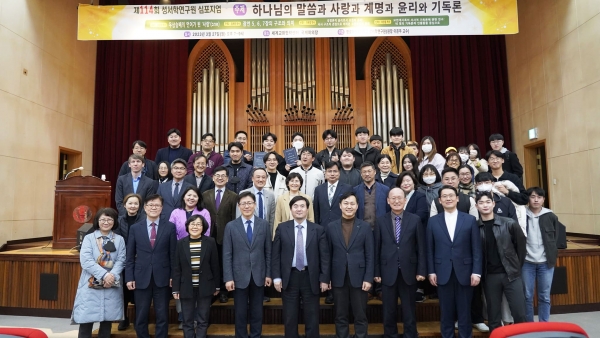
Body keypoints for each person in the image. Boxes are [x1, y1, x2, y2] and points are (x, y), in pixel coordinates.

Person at [427, 186, 482, 338]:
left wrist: (476, 272)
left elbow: (476, 249)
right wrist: (431, 271)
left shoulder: (470, 220)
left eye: (451, 195)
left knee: (465, 313)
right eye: (444, 196)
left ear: (457, 198)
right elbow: (429, 249)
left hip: (465, 272)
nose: (448, 198)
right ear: (439, 200)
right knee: (446, 313)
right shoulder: (432, 221)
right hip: (442, 272)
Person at [272, 196, 330, 338]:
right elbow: (275, 255)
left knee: (312, 316)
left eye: (302, 206)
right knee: (290, 316)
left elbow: (324, 256)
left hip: (310, 277)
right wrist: (276, 277)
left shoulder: (318, 229)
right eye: (295, 206)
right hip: (289, 277)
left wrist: (324, 278)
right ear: (291, 209)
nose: (299, 209)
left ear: (307, 209)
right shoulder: (282, 228)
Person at [374, 188, 426, 338]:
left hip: (409, 271)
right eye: (393, 198)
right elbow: (376, 247)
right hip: (387, 271)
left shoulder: (415, 219)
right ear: (388, 201)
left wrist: (421, 270)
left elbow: (420, 248)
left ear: (405, 200)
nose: (396, 201)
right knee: (388, 310)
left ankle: (410, 335)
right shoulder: (380, 221)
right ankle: (390, 335)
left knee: (409, 310)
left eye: (399, 198)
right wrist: (376, 272)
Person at [125, 195, 177, 338]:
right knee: (141, 314)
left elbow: (173, 255)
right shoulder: (136, 228)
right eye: (150, 205)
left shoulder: (170, 227)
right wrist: (129, 277)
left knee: (162, 314)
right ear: (145, 208)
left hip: (163, 277)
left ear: (162, 208)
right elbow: (129, 256)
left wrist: (173, 275)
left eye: (157, 205)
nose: (154, 208)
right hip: (141, 277)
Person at [475, 192, 527, 333]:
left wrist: (515, 267)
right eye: (481, 202)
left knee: (519, 312)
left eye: (487, 202)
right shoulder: (474, 227)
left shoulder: (509, 223)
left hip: (511, 274)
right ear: (476, 206)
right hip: (490, 276)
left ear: (493, 204)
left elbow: (521, 249)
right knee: (493, 316)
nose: (485, 205)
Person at [222, 191, 272, 338]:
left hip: (259, 274)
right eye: (243, 203)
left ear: (255, 204)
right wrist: (228, 278)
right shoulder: (231, 226)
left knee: (257, 311)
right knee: (240, 312)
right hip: (238, 276)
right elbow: (227, 254)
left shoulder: (263, 225)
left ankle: (256, 335)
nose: (247, 206)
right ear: (239, 206)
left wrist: (268, 274)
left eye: (249, 203)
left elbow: (268, 251)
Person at [72, 208, 126, 338]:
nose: (106, 222)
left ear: (114, 221)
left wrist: (112, 275)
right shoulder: (89, 238)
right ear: (97, 221)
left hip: (111, 284)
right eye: (103, 219)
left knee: (107, 322)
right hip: (91, 283)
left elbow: (121, 260)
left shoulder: (119, 239)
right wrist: (105, 275)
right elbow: (86, 261)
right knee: (86, 321)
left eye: (109, 219)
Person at [326, 191, 374, 338]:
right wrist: (326, 278)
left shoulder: (365, 227)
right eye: (345, 203)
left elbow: (370, 255)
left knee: (360, 315)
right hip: (338, 276)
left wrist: (368, 278)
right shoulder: (331, 227)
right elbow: (327, 255)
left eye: (352, 203)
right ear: (340, 206)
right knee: (340, 315)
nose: (349, 206)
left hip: (359, 278)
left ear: (357, 206)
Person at [172, 215, 220, 338]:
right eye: (192, 224)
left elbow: (215, 265)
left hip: (205, 286)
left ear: (203, 227)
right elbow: (177, 268)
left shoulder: (210, 242)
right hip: (186, 287)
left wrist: (217, 286)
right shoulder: (180, 243)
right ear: (187, 226)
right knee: (187, 320)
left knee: (203, 319)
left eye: (198, 224)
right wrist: (175, 288)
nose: (195, 226)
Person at [202, 166, 238, 304]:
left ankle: (223, 291)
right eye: (217, 175)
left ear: (227, 179)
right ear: (213, 177)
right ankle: (212, 290)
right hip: (209, 234)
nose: (220, 178)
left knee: (224, 264)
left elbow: (234, 217)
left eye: (223, 175)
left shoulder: (234, 196)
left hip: (225, 235)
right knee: (210, 264)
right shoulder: (205, 194)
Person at [523, 187, 559, 322]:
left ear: (544, 199)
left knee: (544, 296)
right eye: (532, 196)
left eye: (539, 197)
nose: (536, 199)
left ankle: (544, 324)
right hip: (526, 262)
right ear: (528, 199)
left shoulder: (550, 215)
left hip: (546, 262)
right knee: (527, 296)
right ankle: (529, 326)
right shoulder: (522, 214)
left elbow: (556, 239)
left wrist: (552, 255)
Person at [396, 171, 430, 302]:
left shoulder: (419, 196)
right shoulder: (396, 197)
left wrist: (404, 223)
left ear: (414, 183)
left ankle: (419, 288)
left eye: (408, 181)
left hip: (415, 234)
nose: (406, 183)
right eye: (403, 181)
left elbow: (421, 214)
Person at [115, 194, 143, 331]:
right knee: (123, 291)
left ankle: (139, 319)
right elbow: (117, 240)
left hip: (140, 260)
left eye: (136, 203)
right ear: (124, 205)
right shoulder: (119, 221)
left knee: (138, 291)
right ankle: (124, 318)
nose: (133, 206)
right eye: (130, 203)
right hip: (124, 259)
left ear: (140, 206)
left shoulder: (144, 219)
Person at [238, 168, 277, 239]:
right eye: (258, 177)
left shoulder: (270, 195)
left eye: (263, 177)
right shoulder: (244, 193)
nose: (261, 180)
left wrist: (270, 235)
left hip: (265, 233)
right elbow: (238, 215)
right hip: (248, 232)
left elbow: (271, 218)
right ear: (252, 178)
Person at [274, 172, 315, 239]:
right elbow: (277, 219)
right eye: (292, 181)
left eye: (297, 181)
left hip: (303, 231)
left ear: (300, 184)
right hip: (285, 232)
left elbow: (310, 218)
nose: (294, 183)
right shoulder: (281, 198)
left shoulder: (307, 198)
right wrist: (276, 237)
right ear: (287, 183)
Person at [313, 161, 353, 228]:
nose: (332, 174)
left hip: (341, 226)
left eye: (335, 171)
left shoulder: (347, 188)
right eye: (329, 171)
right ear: (325, 173)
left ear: (339, 173)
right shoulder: (318, 189)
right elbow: (316, 211)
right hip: (323, 226)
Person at [354, 162, 391, 228]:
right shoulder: (355, 190)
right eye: (364, 172)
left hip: (381, 226)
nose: (367, 174)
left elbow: (388, 209)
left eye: (369, 171)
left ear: (375, 172)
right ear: (361, 174)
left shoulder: (385, 189)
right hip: (361, 227)